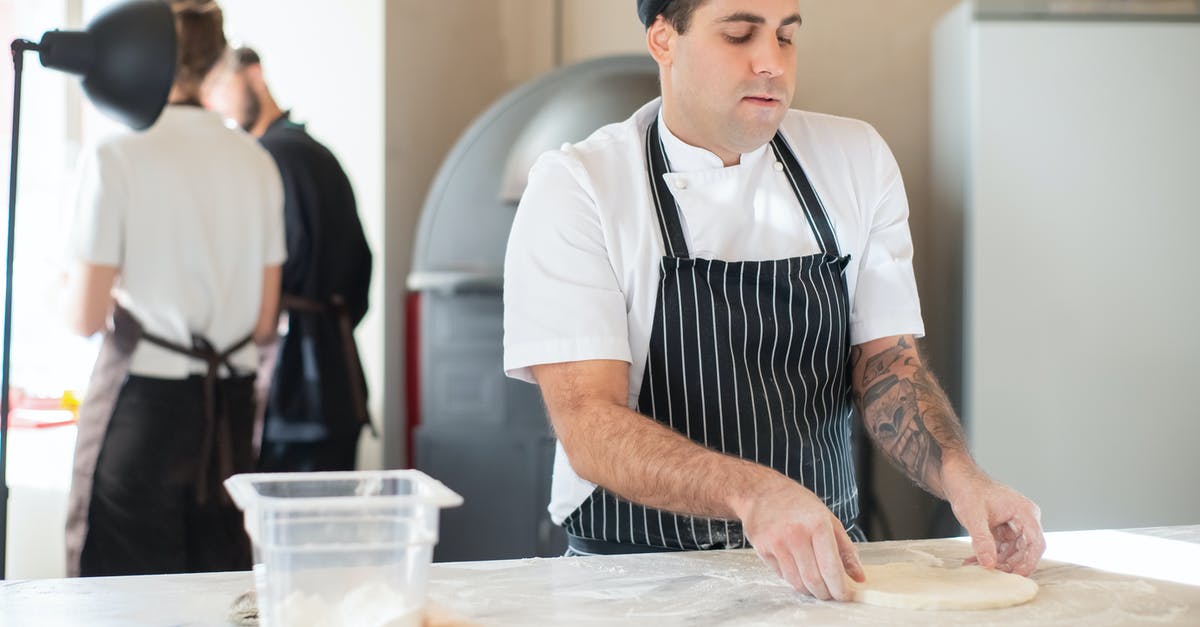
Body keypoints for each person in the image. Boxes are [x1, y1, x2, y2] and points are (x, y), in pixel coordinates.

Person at [502, 0, 1045, 601]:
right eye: (739, 35)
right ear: (663, 39)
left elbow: (888, 367)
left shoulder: (855, 160)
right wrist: (754, 493)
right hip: (636, 577)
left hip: (828, 571)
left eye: (786, 38)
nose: (771, 64)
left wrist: (963, 479)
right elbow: (588, 423)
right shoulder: (581, 187)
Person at [62, 0, 285, 577]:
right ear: (216, 64)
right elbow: (264, 325)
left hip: (145, 408)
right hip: (229, 419)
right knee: (220, 593)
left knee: (127, 600)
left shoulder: (116, 155)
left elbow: (84, 317)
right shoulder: (256, 160)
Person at [204, 46, 374, 472]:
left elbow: (259, 276)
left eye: (222, 84)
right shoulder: (317, 152)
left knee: (278, 527)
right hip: (337, 375)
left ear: (254, 75)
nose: (217, 102)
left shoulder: (268, 158)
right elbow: (361, 273)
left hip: (290, 385)